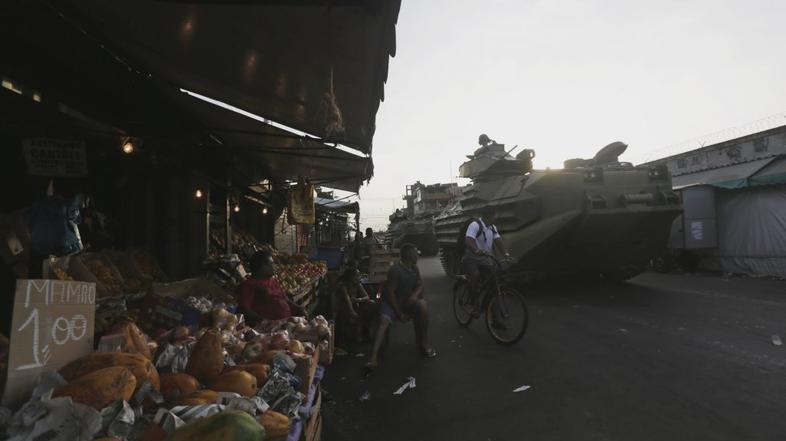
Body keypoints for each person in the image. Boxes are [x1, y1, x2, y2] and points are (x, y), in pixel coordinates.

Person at [366, 243, 435, 368]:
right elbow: (390, 293)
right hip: (392, 304)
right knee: (383, 322)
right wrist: (399, 314)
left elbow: (420, 285)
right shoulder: (396, 270)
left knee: (423, 306)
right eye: (416, 253)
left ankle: (423, 343)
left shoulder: (414, 268)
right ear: (409, 256)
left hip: (407, 302)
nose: (418, 256)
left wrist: (414, 295)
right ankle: (373, 357)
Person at [462, 207, 511, 317]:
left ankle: (495, 319)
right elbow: (469, 240)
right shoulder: (475, 225)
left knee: (494, 283)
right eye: (494, 216)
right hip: (471, 258)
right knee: (475, 275)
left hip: (484, 259)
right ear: (488, 216)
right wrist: (476, 250)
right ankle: (474, 304)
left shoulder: (492, 227)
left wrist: (506, 255)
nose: (495, 218)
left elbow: (498, 241)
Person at [237, 250, 303, 323]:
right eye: (271, 264)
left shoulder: (272, 281)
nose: (274, 266)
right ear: (262, 266)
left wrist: (300, 309)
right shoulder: (249, 285)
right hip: (269, 329)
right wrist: (265, 321)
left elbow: (285, 299)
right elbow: (243, 309)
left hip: (286, 323)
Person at [334, 267, 377, 341]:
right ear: (351, 277)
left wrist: (358, 300)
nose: (359, 277)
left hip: (355, 305)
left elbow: (367, 297)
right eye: (357, 275)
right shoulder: (343, 286)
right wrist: (352, 311)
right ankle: (357, 333)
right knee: (355, 316)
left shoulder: (358, 284)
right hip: (344, 308)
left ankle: (364, 330)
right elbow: (347, 299)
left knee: (371, 303)